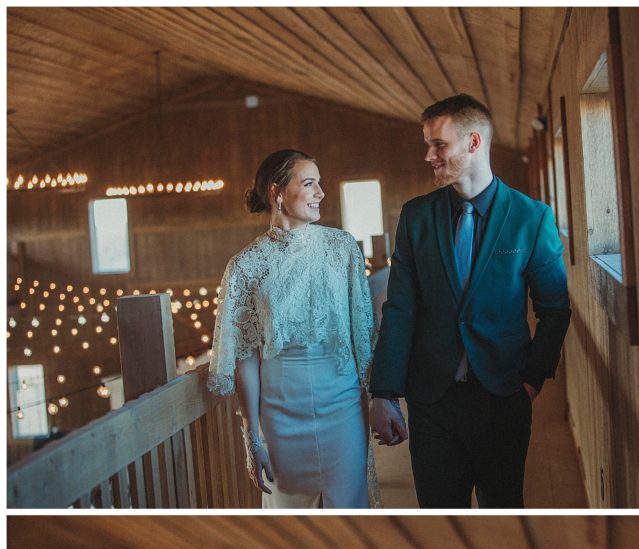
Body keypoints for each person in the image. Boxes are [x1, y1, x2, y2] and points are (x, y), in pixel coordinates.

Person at [370, 94, 571, 508]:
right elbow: (400, 308)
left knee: (504, 516)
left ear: (474, 143)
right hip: (432, 400)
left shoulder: (531, 218)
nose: (429, 155)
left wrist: (531, 382)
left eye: (439, 144)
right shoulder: (416, 217)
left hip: (503, 396)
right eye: (428, 144)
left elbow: (554, 309)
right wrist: (384, 393)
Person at [207, 149, 378, 508]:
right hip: (280, 411)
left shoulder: (342, 248)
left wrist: (381, 399)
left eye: (320, 184)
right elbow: (246, 359)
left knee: (350, 513)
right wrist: (252, 439)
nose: (320, 193)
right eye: (309, 183)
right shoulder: (246, 266)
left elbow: (362, 330)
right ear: (277, 192)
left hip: (343, 403)